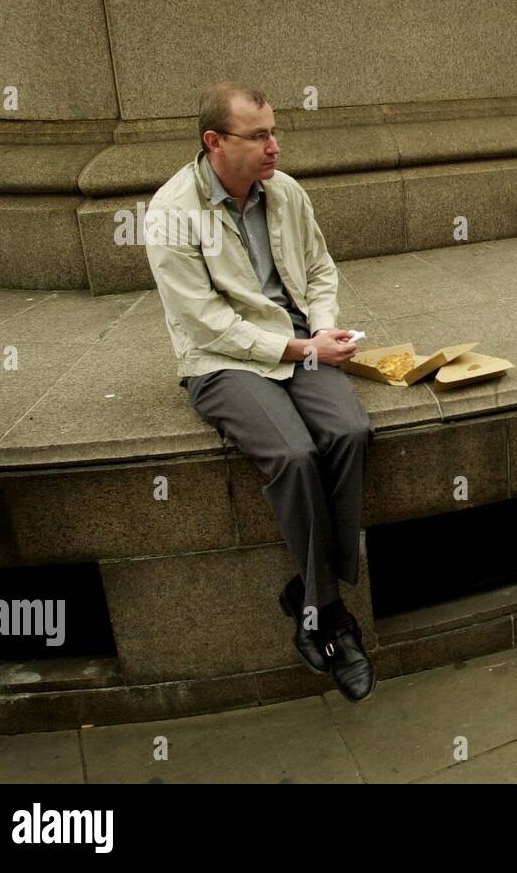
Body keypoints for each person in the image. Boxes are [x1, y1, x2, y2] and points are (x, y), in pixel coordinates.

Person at [145, 82, 376, 702]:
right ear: (214, 142)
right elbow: (204, 323)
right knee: (294, 455)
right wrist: (302, 350)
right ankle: (328, 616)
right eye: (260, 136)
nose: (276, 146)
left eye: (275, 131)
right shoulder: (171, 212)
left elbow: (321, 268)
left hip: (301, 341)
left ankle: (307, 589)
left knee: (351, 432)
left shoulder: (286, 192)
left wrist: (322, 326)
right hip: (222, 361)